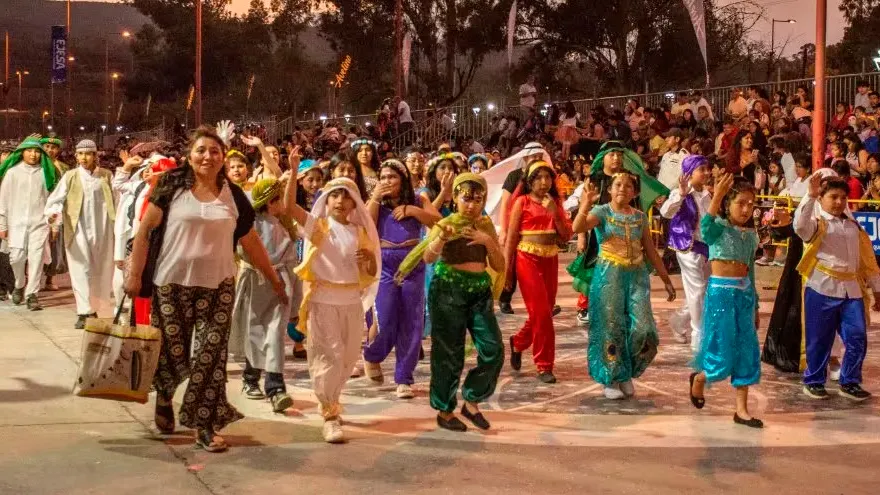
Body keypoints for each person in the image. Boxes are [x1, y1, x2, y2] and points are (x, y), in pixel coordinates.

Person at [125, 127, 285, 453]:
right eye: (201, 150)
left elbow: (249, 239)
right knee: (173, 350)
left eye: (214, 151)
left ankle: (205, 425)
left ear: (223, 156)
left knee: (211, 358)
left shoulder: (234, 194)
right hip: (171, 284)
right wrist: (134, 275)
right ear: (189, 155)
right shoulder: (170, 185)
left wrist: (273, 277)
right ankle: (166, 394)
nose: (207, 157)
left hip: (219, 286)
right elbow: (144, 232)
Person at [397, 173, 505, 431]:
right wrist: (442, 238)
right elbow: (427, 257)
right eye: (466, 198)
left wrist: (487, 241)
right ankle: (444, 410)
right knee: (449, 352)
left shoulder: (485, 226)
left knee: (493, 349)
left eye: (477, 199)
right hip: (448, 291)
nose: (472, 204)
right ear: (455, 198)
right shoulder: (445, 223)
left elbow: (499, 265)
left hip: (479, 292)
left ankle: (471, 400)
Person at [290, 176, 380, 443]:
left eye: (346, 196)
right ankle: (330, 415)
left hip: (352, 301)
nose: (340, 201)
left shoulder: (360, 232)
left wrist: (370, 259)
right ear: (325, 201)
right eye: (334, 196)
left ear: (354, 202)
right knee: (328, 356)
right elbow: (289, 207)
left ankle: (333, 401)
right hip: (324, 301)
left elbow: (372, 272)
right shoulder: (319, 227)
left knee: (348, 358)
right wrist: (293, 172)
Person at [574, 172, 675, 399]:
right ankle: (611, 378)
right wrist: (585, 204)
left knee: (643, 328)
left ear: (635, 192)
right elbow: (577, 227)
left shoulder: (640, 217)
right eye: (617, 184)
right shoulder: (602, 212)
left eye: (629, 186)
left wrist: (666, 279)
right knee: (611, 326)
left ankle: (626, 372)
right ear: (609, 189)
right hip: (609, 276)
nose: (623, 188)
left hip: (637, 276)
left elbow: (651, 251)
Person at [795, 173, 880, 401]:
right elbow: (799, 227)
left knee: (857, 336)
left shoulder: (853, 226)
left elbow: (866, 259)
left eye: (843, 197)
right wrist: (809, 197)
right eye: (834, 197)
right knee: (819, 340)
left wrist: (876, 289)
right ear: (821, 198)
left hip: (851, 290)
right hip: (821, 288)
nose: (839, 202)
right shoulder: (816, 224)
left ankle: (850, 381)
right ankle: (813, 381)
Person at [689, 173, 763, 428]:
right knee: (721, 348)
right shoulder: (718, 227)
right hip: (721, 294)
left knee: (746, 349)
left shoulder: (751, 236)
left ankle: (741, 410)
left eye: (750, 204)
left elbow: (751, 271)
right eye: (740, 203)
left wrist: (755, 306)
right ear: (728, 203)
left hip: (744, 296)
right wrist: (717, 195)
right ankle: (700, 378)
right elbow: (705, 228)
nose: (746, 209)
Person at [363, 159, 440, 398]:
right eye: (383, 177)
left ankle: (404, 378)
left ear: (403, 179)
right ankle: (372, 355)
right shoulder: (376, 202)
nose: (387, 182)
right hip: (385, 266)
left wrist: (413, 211)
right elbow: (366, 226)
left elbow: (439, 222)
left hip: (413, 265)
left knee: (412, 323)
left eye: (392, 177)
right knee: (385, 320)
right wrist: (375, 198)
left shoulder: (419, 199)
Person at [231, 169, 301, 413]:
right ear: (269, 202)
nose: (282, 204)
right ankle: (251, 378)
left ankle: (275, 388)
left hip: (281, 284)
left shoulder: (283, 225)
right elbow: (248, 252)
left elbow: (292, 261)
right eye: (278, 199)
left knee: (274, 335)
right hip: (257, 282)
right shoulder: (252, 225)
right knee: (257, 332)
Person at [506, 160, 572, 383]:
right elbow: (511, 238)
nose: (544, 182)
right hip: (527, 258)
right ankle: (544, 365)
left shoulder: (554, 202)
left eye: (548, 177)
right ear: (530, 181)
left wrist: (555, 213)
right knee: (542, 314)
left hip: (550, 258)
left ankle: (518, 342)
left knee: (542, 313)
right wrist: (507, 271)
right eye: (539, 178)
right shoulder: (522, 203)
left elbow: (566, 236)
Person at [43, 140, 116, 328]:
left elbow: (117, 200)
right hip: (78, 229)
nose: (84, 158)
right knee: (80, 269)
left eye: (88, 154)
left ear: (95, 155)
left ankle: (100, 307)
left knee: (102, 269)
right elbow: (55, 200)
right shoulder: (71, 176)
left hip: (104, 229)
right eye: (81, 154)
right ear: (76, 156)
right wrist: (54, 214)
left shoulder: (106, 176)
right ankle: (84, 311)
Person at [0, 136, 58, 310]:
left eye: (36, 151)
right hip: (15, 224)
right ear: (22, 152)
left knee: (37, 259)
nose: (33, 155)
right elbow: (3, 200)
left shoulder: (46, 173)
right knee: (16, 258)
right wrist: (2, 224)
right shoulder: (12, 173)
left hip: (39, 224)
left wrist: (54, 224)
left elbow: (53, 201)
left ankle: (32, 294)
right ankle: (19, 284)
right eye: (29, 150)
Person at [659, 155, 712, 348]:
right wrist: (681, 194)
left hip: (706, 247)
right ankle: (699, 336)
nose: (707, 173)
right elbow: (665, 212)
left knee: (703, 291)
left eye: (707, 169)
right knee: (697, 291)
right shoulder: (680, 193)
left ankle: (678, 321)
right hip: (687, 247)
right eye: (702, 169)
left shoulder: (707, 193)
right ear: (689, 173)